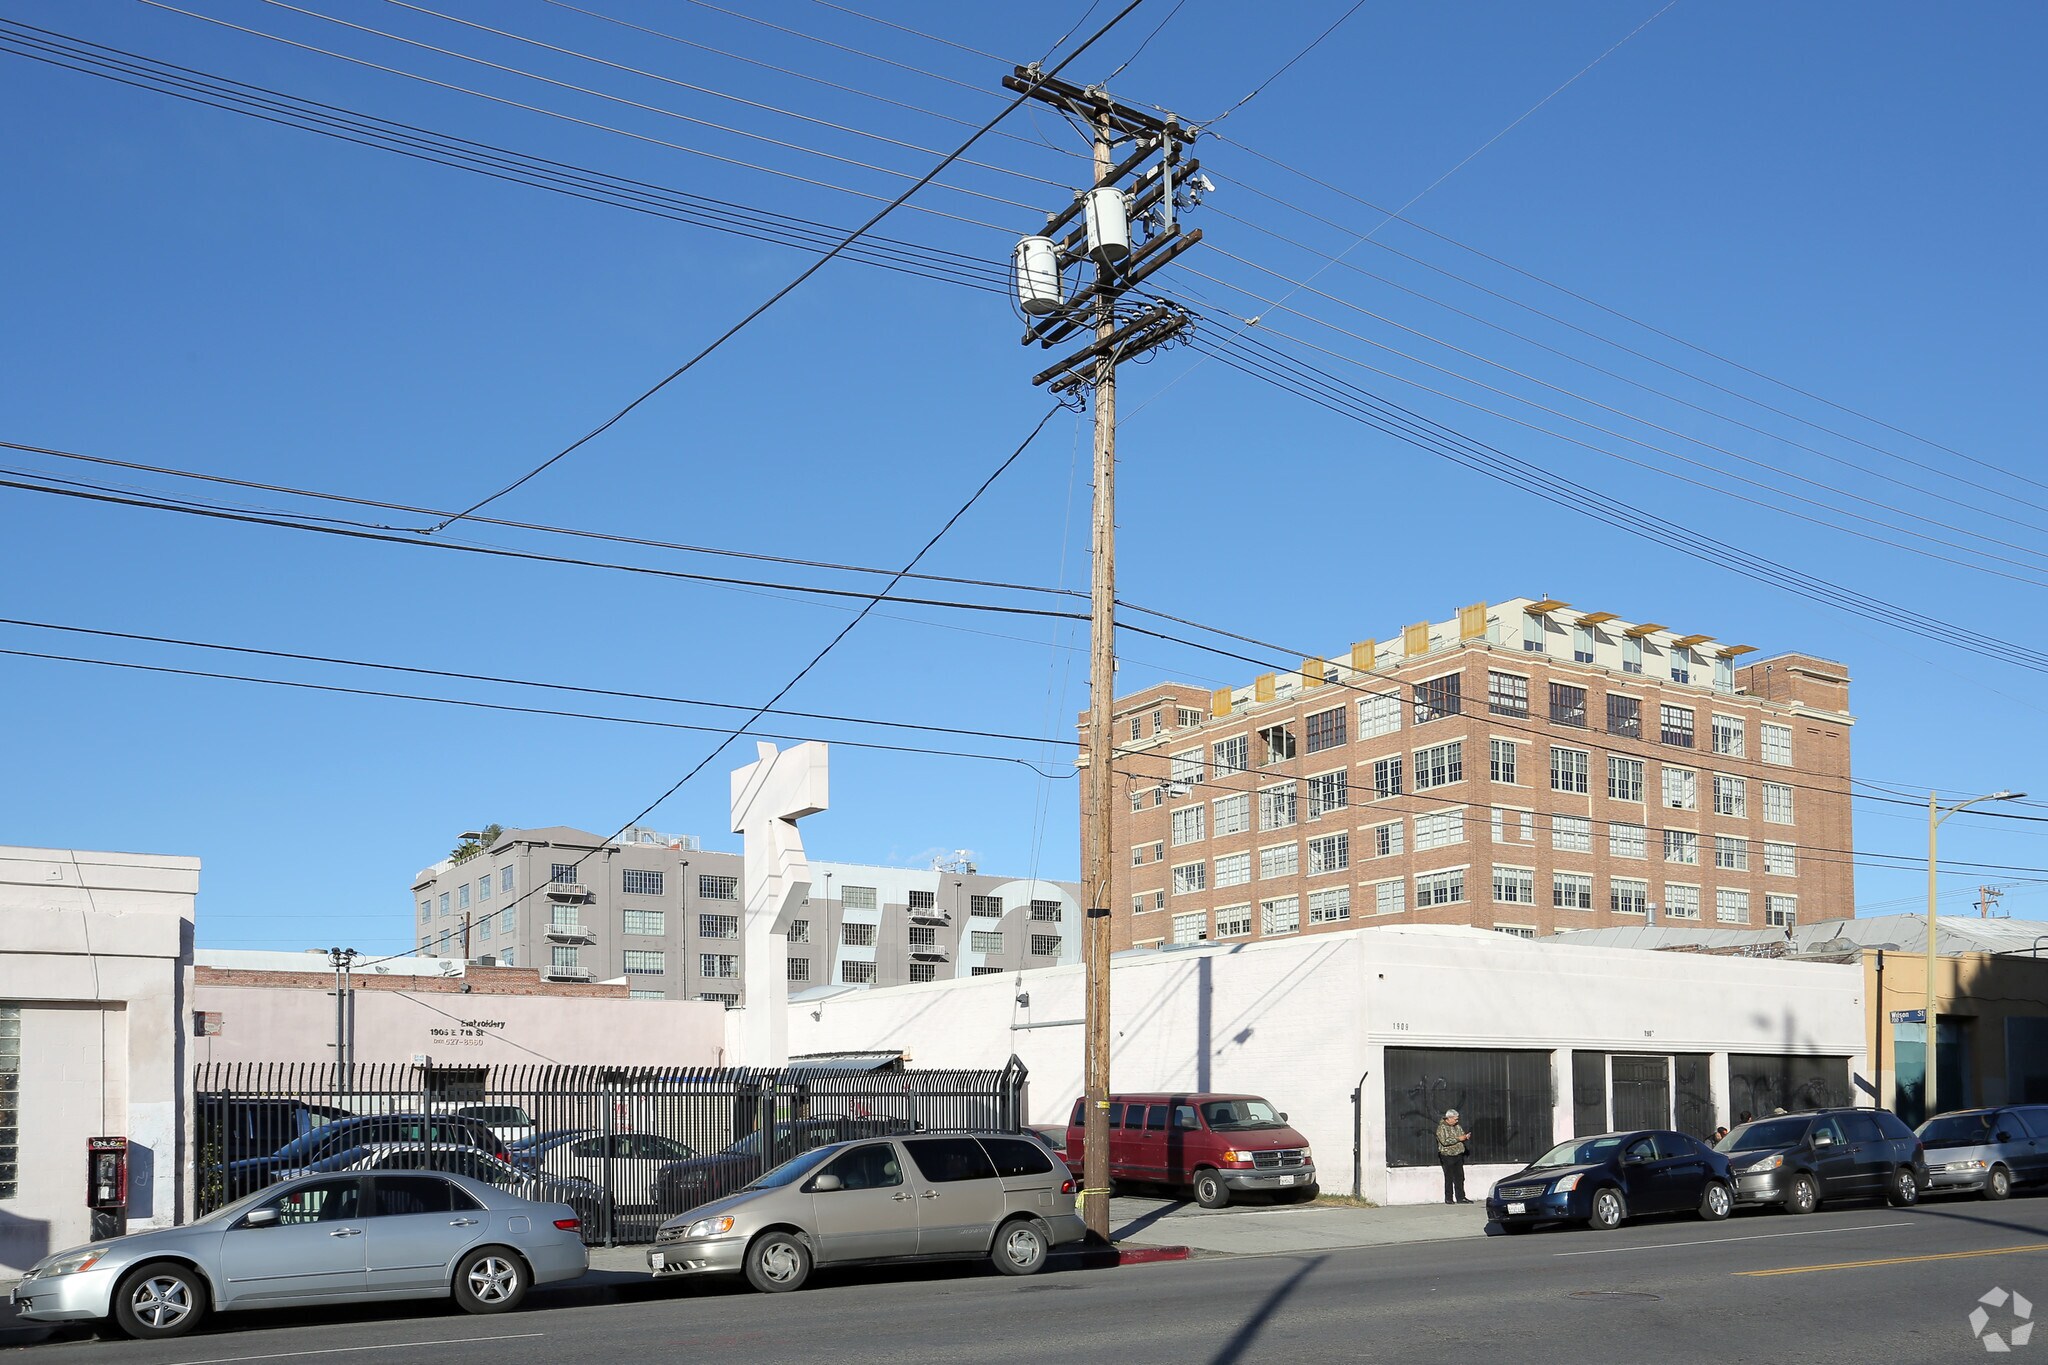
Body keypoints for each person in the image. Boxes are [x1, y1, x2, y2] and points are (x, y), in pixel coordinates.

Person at [1435, 1108, 1473, 1205]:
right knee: (1449, 1177)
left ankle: (1461, 1197)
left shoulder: (1457, 1126)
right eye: (1455, 1119)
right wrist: (1459, 1139)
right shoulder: (1441, 1128)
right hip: (1447, 1155)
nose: (1457, 1121)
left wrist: (1465, 1137)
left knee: (1460, 1177)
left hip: (1458, 1154)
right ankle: (1449, 1198)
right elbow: (1444, 1141)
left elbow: (1461, 1135)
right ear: (1449, 1118)